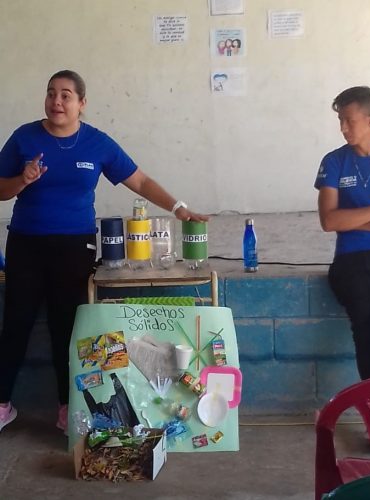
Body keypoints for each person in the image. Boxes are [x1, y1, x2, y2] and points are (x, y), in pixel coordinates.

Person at [0, 69, 208, 433]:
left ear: (82, 103)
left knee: (68, 327)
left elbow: (139, 180)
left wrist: (178, 208)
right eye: (51, 93)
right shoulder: (24, 138)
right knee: (16, 323)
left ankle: (69, 407)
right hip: (26, 244)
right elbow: (0, 189)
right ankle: (3, 404)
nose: (56, 101)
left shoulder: (97, 143)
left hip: (74, 247)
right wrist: (23, 179)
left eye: (66, 95)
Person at [315, 86, 370, 381]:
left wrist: (351, 220)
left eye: (350, 120)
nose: (343, 128)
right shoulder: (334, 161)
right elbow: (329, 220)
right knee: (363, 328)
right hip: (350, 259)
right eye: (340, 121)